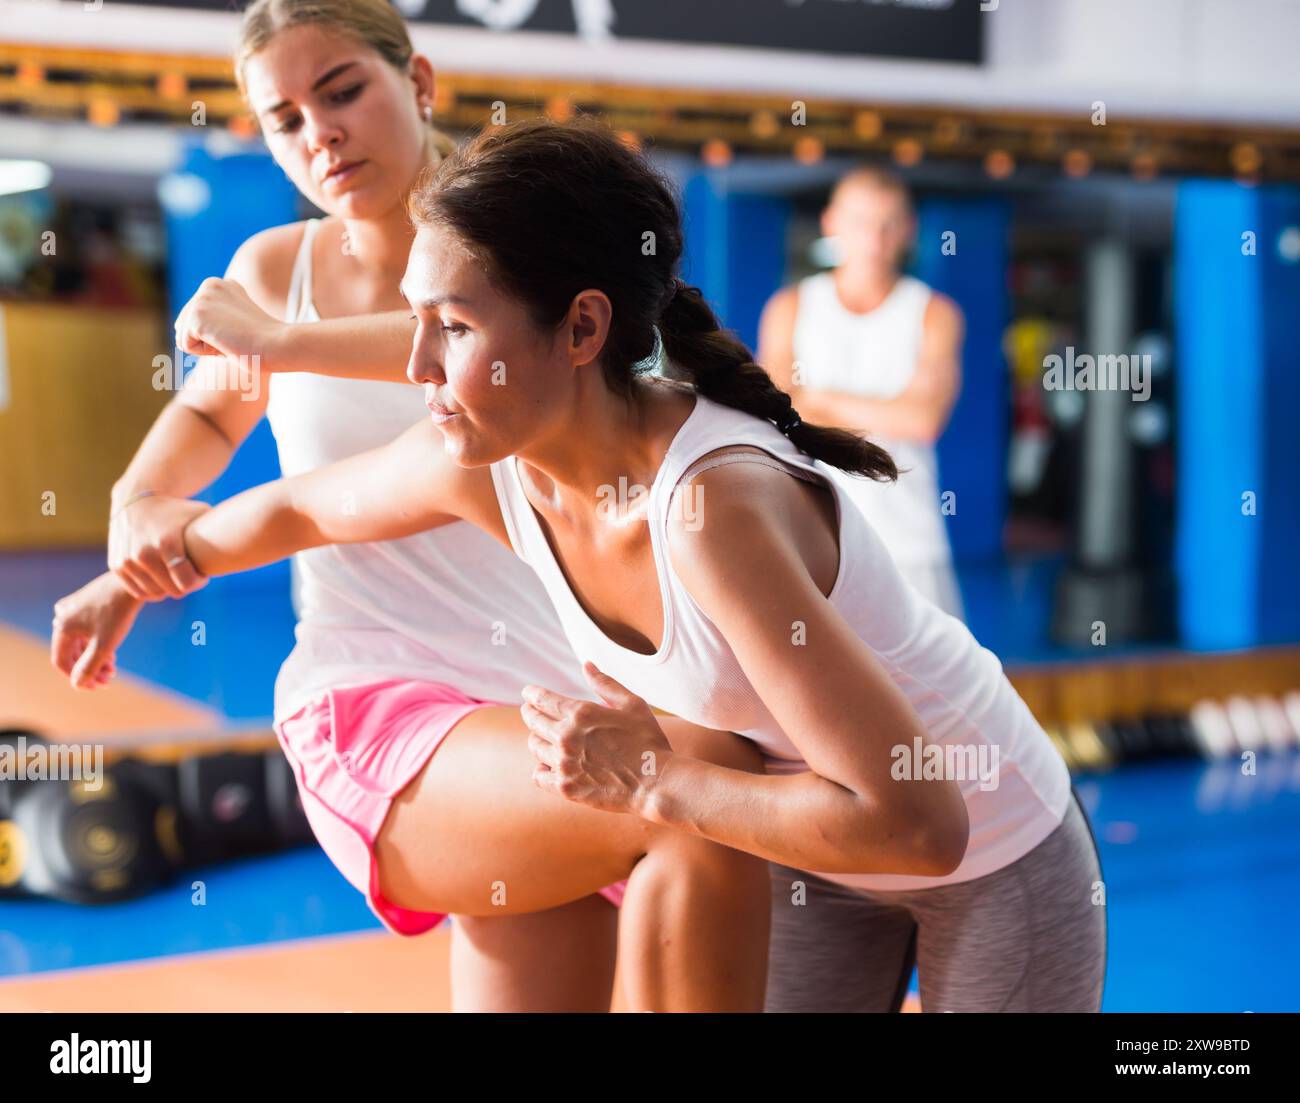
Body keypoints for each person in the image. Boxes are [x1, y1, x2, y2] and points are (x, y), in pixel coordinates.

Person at [64, 117, 1105, 1012]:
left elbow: (922, 824)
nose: (416, 366)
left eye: (455, 327)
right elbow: (300, 506)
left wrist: (657, 781)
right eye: (414, 324)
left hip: (988, 852)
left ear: (582, 327)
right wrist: (140, 569)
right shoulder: (481, 461)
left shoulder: (710, 510)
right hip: (811, 846)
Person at [50, 0, 770, 1014]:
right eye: (284, 118)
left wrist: (279, 340)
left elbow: (477, 339)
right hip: (382, 695)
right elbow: (211, 421)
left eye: (341, 91)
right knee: (692, 803)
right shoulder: (278, 271)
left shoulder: (514, 241)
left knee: (705, 810)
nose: (319, 134)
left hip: (555, 686)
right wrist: (134, 520)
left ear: (419, 82)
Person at [758, 166, 965, 618]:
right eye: (861, 221)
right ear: (832, 223)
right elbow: (774, 416)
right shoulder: (790, 308)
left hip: (910, 542)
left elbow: (922, 421)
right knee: (817, 685)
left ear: (908, 230)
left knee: (929, 688)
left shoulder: (935, 313)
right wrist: (887, 410)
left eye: (888, 223)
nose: (875, 238)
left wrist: (817, 399)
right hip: (811, 539)